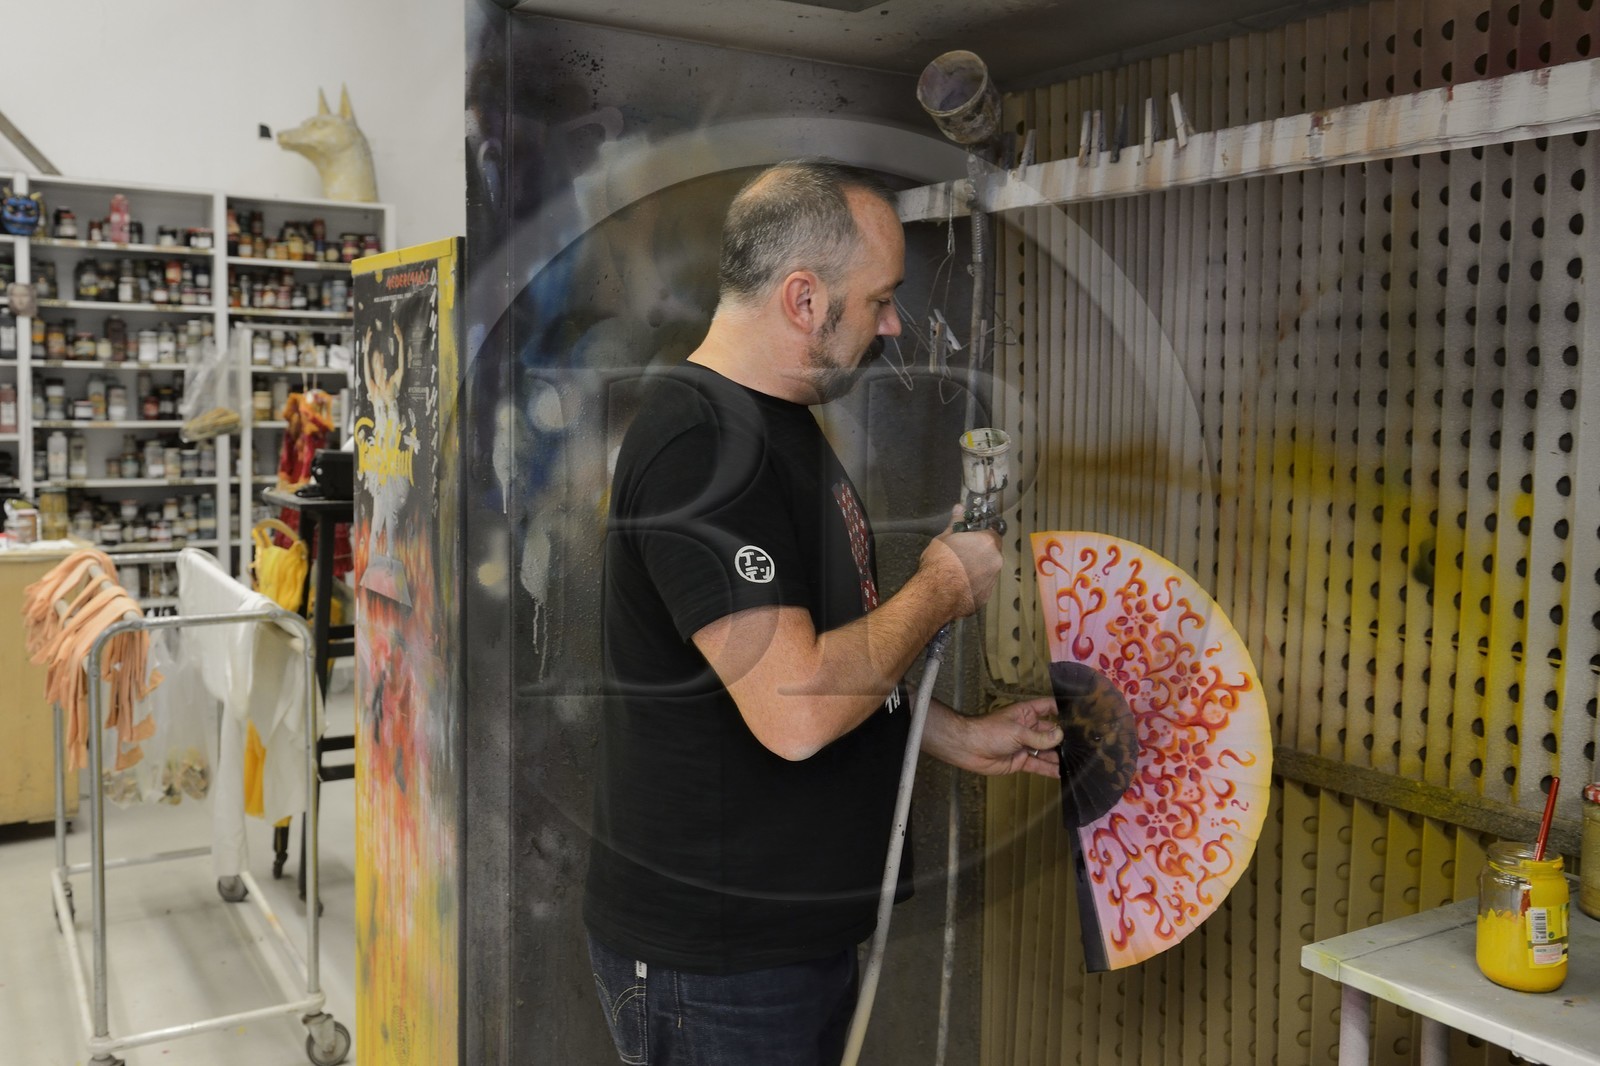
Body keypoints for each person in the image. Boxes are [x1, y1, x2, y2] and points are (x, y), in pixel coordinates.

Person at [586, 159, 1063, 1066]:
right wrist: (941, 588)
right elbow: (796, 708)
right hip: (718, 968)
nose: (891, 322)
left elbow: (819, 658)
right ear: (804, 299)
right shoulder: (701, 447)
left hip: (780, 947)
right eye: (879, 298)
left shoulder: (780, 420)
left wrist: (957, 735)